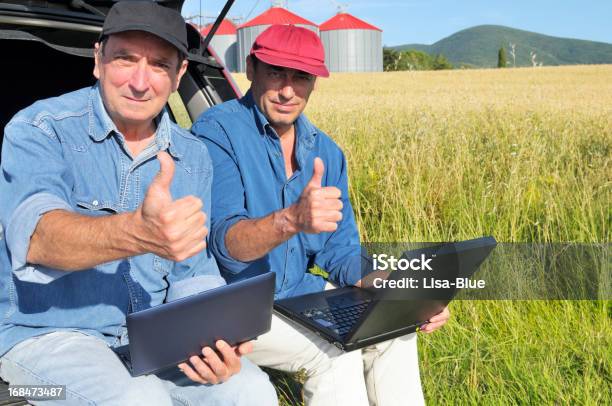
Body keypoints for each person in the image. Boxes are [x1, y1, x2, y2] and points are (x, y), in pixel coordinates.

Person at [0, 2, 277, 405]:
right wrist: (138, 233)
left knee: (253, 391)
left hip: (153, 337)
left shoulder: (193, 155)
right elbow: (38, 238)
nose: (140, 82)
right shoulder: (39, 129)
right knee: (139, 399)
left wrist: (219, 337)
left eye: (160, 65)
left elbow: (193, 271)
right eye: (125, 59)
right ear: (98, 60)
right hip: (43, 338)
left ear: (180, 73)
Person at [192, 24, 450, 406]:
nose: (287, 90)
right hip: (235, 301)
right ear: (251, 67)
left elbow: (340, 250)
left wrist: (388, 284)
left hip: (298, 293)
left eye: (301, 77)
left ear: (314, 82)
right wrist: (291, 219)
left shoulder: (326, 152)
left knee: (396, 327)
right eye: (276, 72)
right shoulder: (217, 132)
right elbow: (225, 245)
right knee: (335, 353)